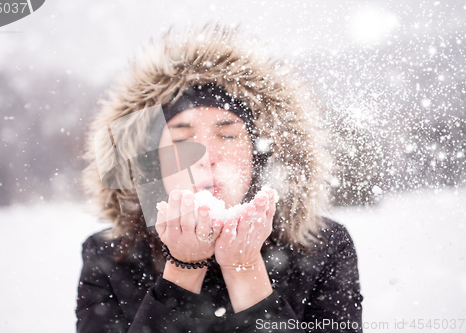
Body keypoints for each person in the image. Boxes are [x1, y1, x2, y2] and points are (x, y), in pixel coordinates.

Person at [76, 23, 363, 333]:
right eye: (182, 138)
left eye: (227, 135)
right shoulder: (111, 257)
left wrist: (245, 269)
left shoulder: (323, 248)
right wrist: (183, 268)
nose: (206, 156)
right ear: (151, 164)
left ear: (259, 156)